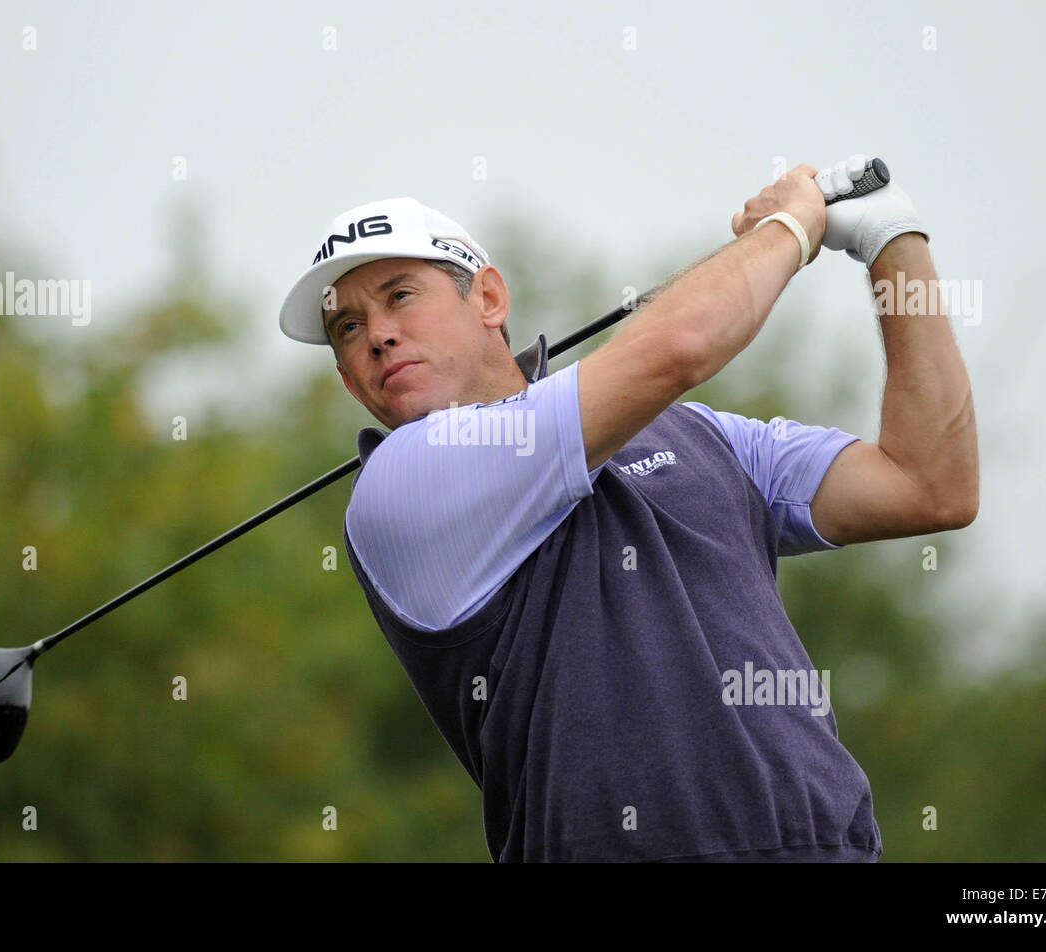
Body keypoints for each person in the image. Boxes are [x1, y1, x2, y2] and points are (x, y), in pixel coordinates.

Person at [277, 156, 978, 862]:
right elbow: (677, 346)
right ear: (346, 377)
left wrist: (894, 240)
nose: (376, 335)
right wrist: (788, 226)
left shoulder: (701, 435)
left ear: (488, 298)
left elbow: (929, 484)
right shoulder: (402, 486)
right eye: (348, 329)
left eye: (400, 295)